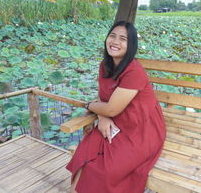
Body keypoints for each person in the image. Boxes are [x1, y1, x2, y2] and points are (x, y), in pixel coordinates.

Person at [66, 21, 166, 193]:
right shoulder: (105, 66)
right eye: (112, 36)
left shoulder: (134, 72)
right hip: (114, 120)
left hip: (140, 129)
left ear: (131, 45)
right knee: (83, 155)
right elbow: (104, 98)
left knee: (107, 171)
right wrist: (102, 117)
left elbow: (111, 108)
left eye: (123, 39)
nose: (115, 42)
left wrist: (91, 106)